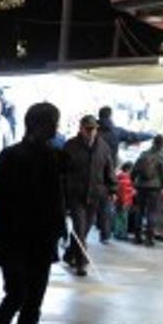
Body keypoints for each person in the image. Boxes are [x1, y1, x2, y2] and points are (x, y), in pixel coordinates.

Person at [0, 102, 66, 324]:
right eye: (52, 122)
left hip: (42, 240)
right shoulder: (12, 157)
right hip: (13, 240)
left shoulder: (53, 157)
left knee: (33, 303)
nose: (55, 128)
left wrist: (60, 228)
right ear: (38, 124)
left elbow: (57, 198)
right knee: (17, 294)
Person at [61, 115, 115, 275]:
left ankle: (69, 254)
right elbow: (62, 171)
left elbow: (109, 168)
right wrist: (62, 192)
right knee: (79, 227)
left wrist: (112, 189)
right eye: (88, 129)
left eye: (94, 129)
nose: (91, 132)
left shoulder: (103, 147)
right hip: (76, 194)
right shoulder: (70, 146)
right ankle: (81, 263)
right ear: (81, 128)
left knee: (84, 230)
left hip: (95, 195)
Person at [95, 106, 153, 242]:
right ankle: (105, 233)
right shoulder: (115, 132)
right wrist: (151, 135)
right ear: (110, 116)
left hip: (92, 172)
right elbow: (134, 136)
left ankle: (90, 230)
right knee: (106, 202)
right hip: (108, 171)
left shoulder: (94, 131)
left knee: (91, 204)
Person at [131, 135, 163, 246]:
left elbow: (134, 170)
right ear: (162, 144)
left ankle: (137, 237)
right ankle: (149, 239)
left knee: (139, 211)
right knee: (152, 212)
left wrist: (133, 181)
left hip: (141, 186)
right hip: (154, 188)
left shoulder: (143, 154)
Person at [114, 161, 135, 240]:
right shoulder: (126, 179)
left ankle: (116, 232)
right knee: (124, 218)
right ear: (128, 169)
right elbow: (125, 192)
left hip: (118, 201)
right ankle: (122, 234)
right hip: (125, 201)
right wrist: (133, 192)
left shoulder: (119, 177)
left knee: (118, 217)